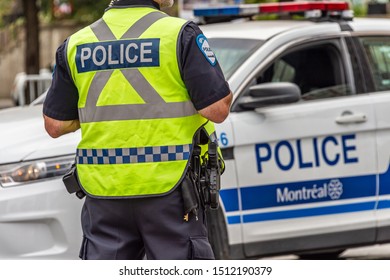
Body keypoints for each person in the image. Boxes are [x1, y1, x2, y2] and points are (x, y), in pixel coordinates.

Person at [43, 0, 232, 260]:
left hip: (103, 192)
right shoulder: (179, 34)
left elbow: (55, 125)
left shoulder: (77, 43)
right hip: (171, 190)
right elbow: (217, 109)